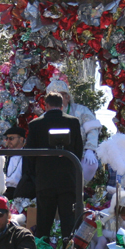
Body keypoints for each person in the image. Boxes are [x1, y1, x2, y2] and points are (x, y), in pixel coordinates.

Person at [24, 91, 83, 240]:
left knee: (44, 223)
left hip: (45, 180)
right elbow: (78, 150)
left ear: (46, 105)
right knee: (68, 223)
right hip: (68, 180)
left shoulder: (35, 124)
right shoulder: (73, 122)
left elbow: (29, 153)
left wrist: (36, 172)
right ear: (62, 105)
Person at [48, 75, 102, 184]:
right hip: (53, 154)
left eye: (60, 96)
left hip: (80, 153)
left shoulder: (81, 110)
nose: (57, 99)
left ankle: (77, 190)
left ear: (67, 97)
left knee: (90, 165)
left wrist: (90, 149)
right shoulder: (46, 115)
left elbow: (92, 130)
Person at [2, 126, 27, 200]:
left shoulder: (28, 156)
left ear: (21, 139)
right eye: (7, 138)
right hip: (5, 191)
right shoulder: (5, 157)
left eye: (11, 138)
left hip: (22, 192)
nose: (8, 141)